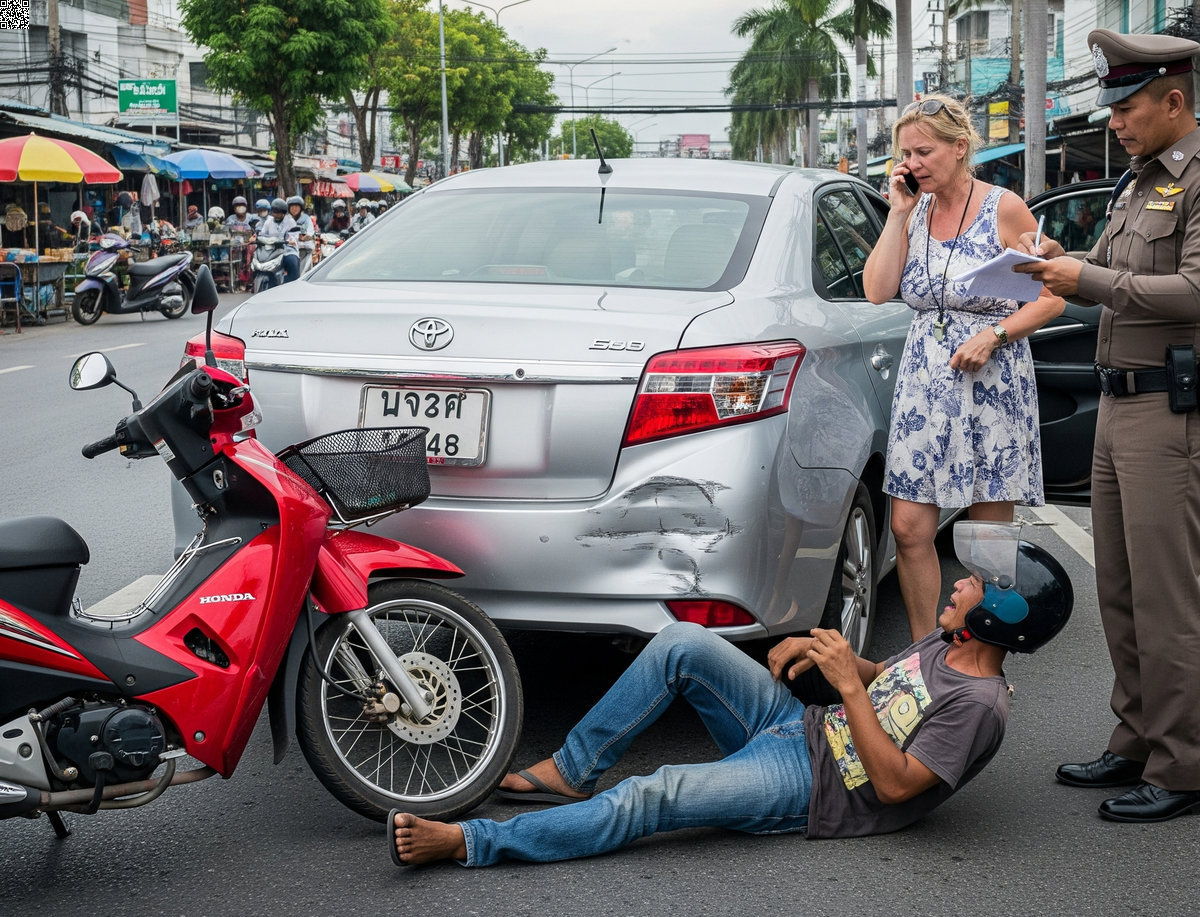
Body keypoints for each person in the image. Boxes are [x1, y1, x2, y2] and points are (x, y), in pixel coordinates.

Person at [389, 521, 1073, 868]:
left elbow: (896, 787)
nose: (957, 583)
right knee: (683, 642)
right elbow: (883, 677)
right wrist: (824, 650)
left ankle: (473, 843)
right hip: (798, 726)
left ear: (998, 619)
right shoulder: (948, 643)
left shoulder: (980, 706)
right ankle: (573, 768)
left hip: (815, 786)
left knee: (650, 794)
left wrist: (844, 689)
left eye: (973, 584)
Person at [1014, 29, 1200, 824]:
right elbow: (1116, 274)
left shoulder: (1195, 182)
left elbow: (1192, 288)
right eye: (1113, 107)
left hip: (1169, 411)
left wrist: (1085, 276)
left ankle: (1184, 762)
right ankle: (1136, 736)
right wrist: (1062, 259)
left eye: (1126, 107)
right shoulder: (1135, 183)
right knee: (1118, 589)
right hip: (1117, 404)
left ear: (1174, 101)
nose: (1115, 122)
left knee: (1169, 597)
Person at [861, 94, 1065, 643]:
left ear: (959, 147)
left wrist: (995, 334)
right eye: (905, 153)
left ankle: (979, 654)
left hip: (991, 380)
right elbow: (878, 290)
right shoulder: (913, 210)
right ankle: (926, 653)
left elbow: (1052, 299)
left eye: (923, 151)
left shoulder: (1004, 207)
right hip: (924, 383)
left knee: (985, 539)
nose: (912, 163)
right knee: (908, 527)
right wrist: (899, 212)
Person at [258, 197, 301, 284]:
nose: (276, 214)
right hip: (272, 251)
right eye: (274, 212)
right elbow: (262, 234)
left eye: (279, 212)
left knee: (292, 261)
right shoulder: (268, 222)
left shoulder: (290, 221)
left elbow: (293, 235)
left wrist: (290, 240)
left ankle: (294, 284)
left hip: (287, 250)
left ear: (284, 213)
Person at [286, 194, 315, 271]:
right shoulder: (287, 219)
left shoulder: (306, 219)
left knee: (303, 272)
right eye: (292, 207)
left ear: (301, 208)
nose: (294, 209)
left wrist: (306, 237)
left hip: (303, 251)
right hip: (288, 250)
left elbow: (310, 233)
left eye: (296, 206)